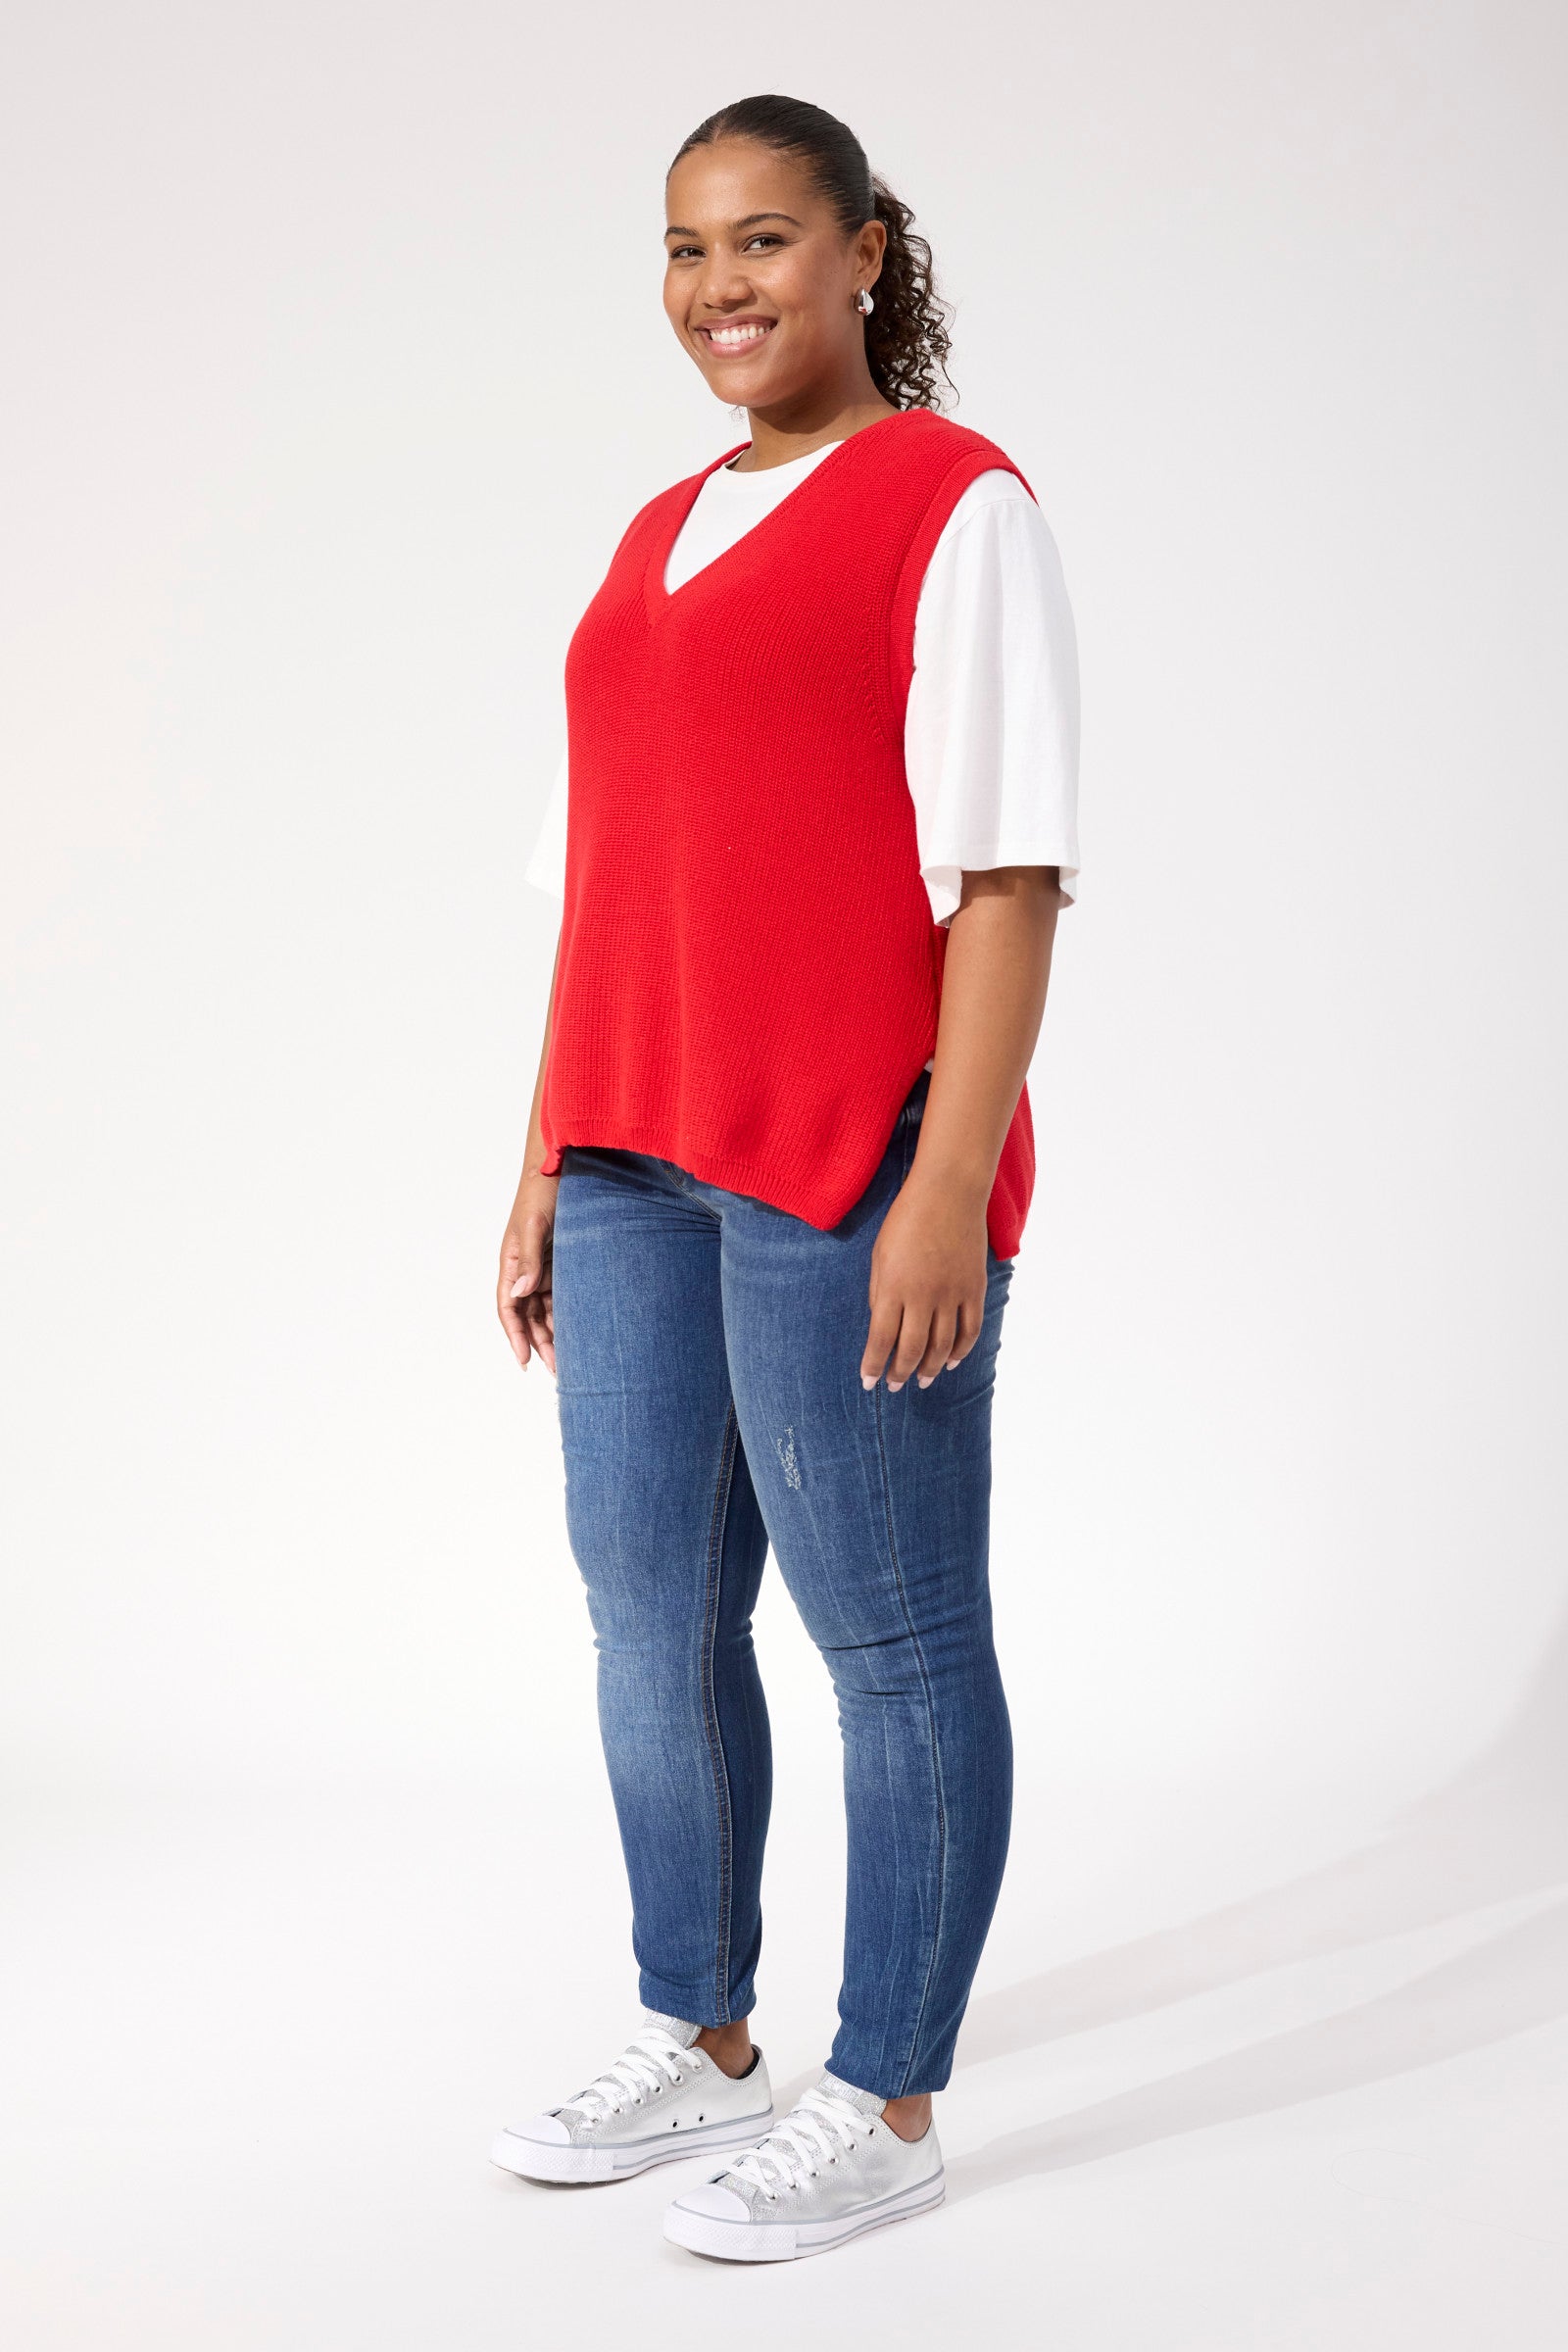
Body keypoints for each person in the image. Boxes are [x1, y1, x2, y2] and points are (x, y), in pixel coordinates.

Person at [490, 92, 1079, 2264]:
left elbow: (1007, 877)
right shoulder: (656, 529)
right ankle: (704, 2030)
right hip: (633, 1152)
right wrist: (542, 1152)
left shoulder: (953, 503)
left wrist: (946, 1185)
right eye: (685, 247)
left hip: (845, 1160)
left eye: (761, 239)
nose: (719, 285)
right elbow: (609, 880)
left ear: (861, 252)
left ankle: (888, 2091)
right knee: (648, 1613)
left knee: (893, 1636)